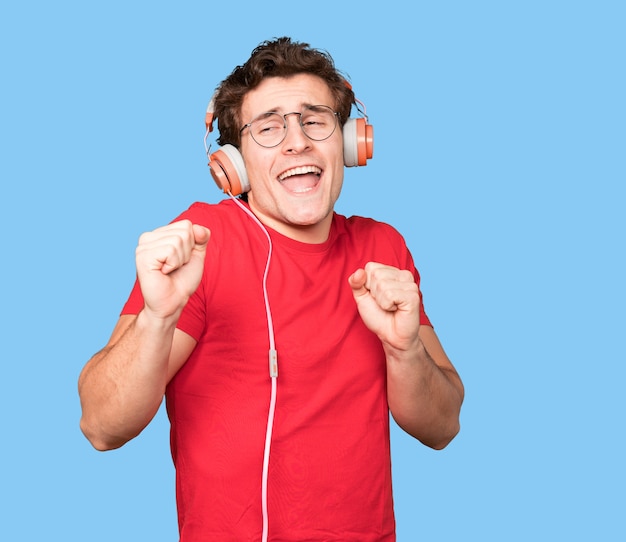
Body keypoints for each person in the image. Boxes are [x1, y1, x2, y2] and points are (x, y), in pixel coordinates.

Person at [78, 36, 464, 541]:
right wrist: (157, 318)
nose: (296, 142)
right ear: (234, 165)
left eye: (314, 120)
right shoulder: (201, 242)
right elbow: (102, 426)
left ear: (348, 142)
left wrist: (404, 348)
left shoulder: (382, 248)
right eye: (268, 127)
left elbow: (442, 427)